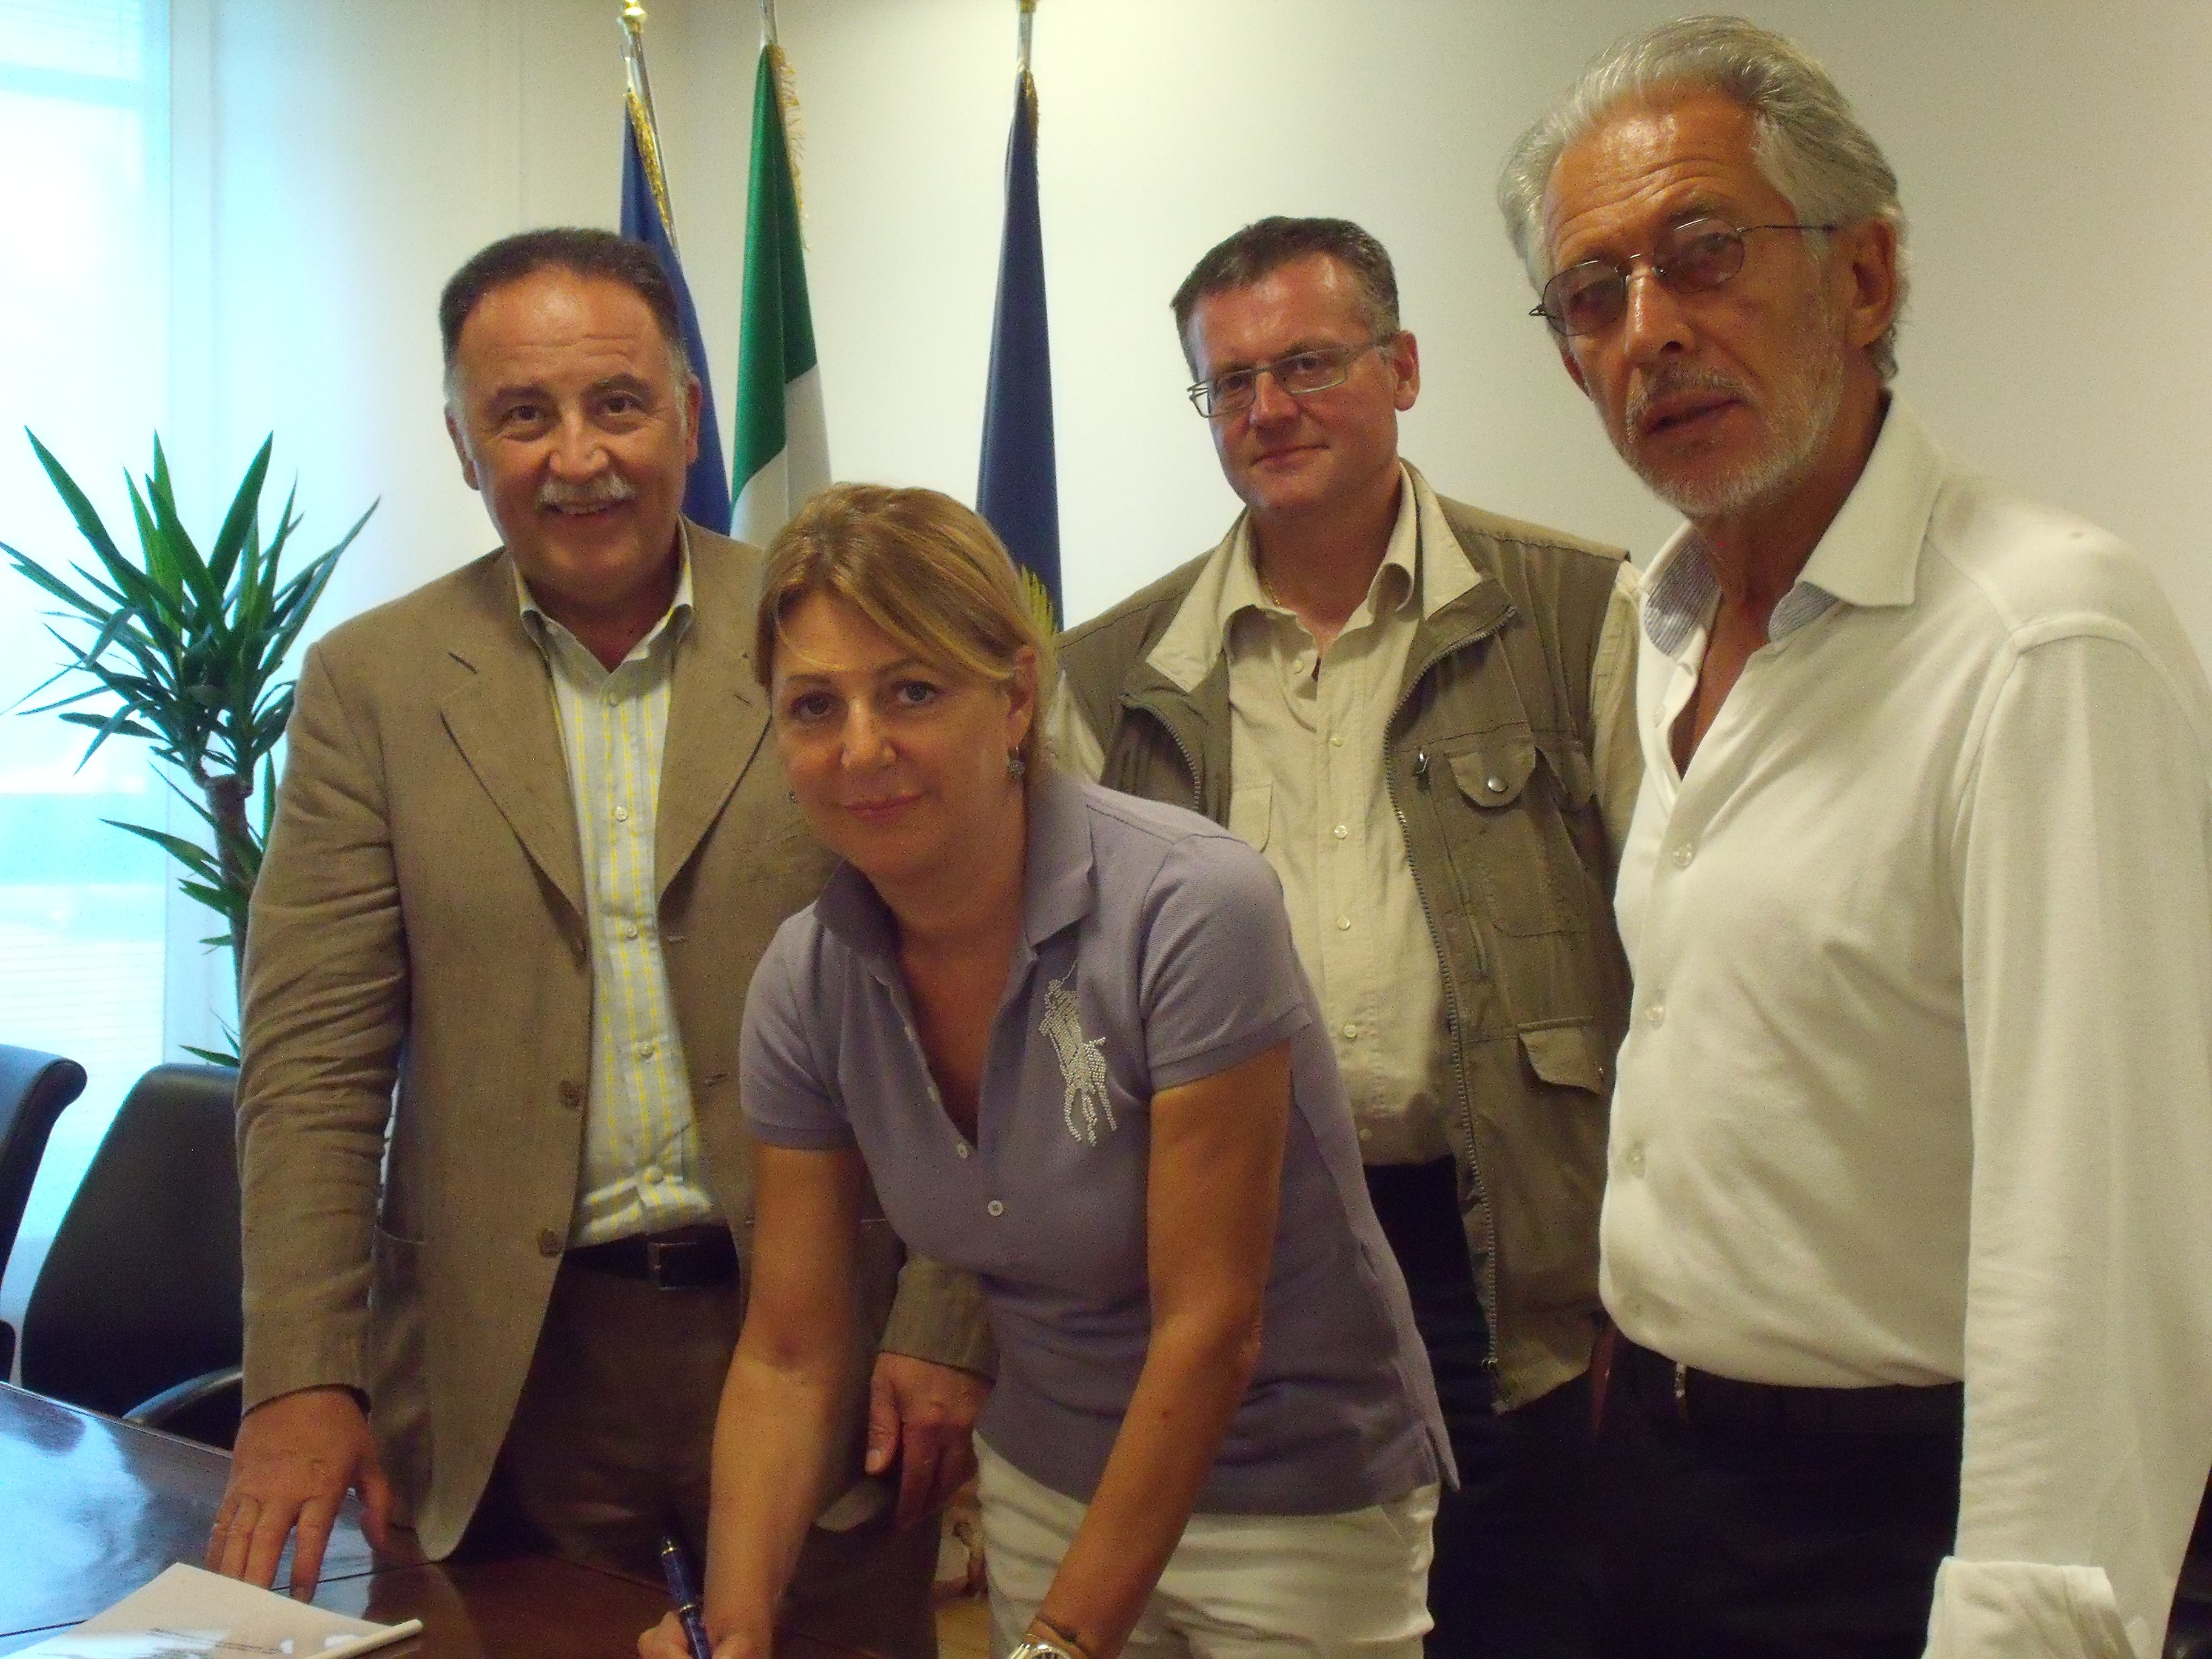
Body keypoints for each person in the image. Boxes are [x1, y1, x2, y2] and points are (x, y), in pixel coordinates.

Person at [1496, 17, 2212, 1657]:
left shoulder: (2040, 641)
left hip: (1899, 1520)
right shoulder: (1664, 627)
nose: (1648, 333)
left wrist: (2030, 1622)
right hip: (1661, 1475)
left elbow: (2098, 1243)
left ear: (1866, 280)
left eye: (1704, 255)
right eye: (1592, 297)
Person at [206, 229, 988, 1656]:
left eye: (619, 404)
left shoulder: (838, 643)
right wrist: (299, 1378)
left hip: (824, 1332)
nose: (581, 456)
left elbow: (981, 988)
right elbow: (314, 1062)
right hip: (515, 1371)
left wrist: (948, 1308)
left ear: (689, 416)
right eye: (524, 415)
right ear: (461, 443)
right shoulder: (370, 687)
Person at [641, 483, 1449, 1659]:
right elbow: (792, 1350)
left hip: (1294, 1504)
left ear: (1015, 699)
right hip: (1046, 1482)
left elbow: (1211, 1328)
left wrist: (1062, 1649)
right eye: (814, 706)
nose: (861, 748)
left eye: (911, 690)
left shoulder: (1190, 909)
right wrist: (737, 1622)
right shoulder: (807, 983)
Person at [1047, 216, 1638, 1658]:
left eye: (1307, 364)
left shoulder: (1577, 613)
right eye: (1230, 383)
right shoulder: (1116, 676)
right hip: (1236, 1265)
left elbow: (1678, 961)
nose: (1268, 411)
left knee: (1514, 1618)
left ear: (1406, 368)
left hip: (1509, 1260)